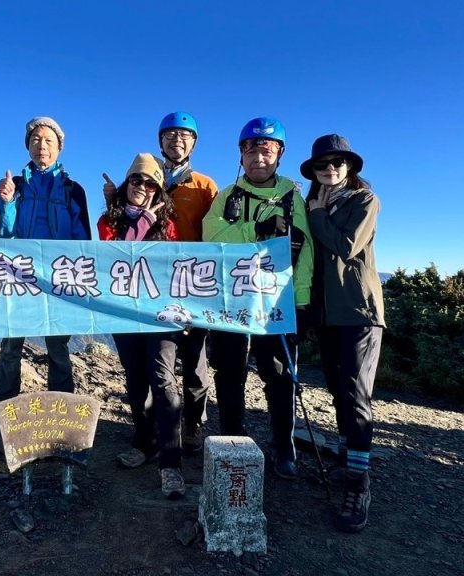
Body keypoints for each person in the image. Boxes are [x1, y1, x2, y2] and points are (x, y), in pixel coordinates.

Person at [201, 117, 314, 480]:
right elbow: (211, 237)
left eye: (266, 150)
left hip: (276, 302)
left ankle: (284, 448)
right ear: (241, 155)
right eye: (251, 150)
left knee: (279, 376)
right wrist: (257, 230)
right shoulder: (226, 197)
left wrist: (302, 301)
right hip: (232, 301)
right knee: (229, 372)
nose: (258, 158)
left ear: (279, 154)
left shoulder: (293, 200)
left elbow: (306, 251)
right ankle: (232, 440)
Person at [102, 111, 218, 453]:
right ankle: (153, 435)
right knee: (156, 370)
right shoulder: (150, 180)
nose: (177, 141)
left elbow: (215, 236)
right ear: (160, 141)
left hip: (192, 287)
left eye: (184, 136)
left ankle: (193, 426)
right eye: (170, 135)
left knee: (195, 366)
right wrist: (114, 203)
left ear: (194, 143)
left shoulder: (205, 186)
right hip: (145, 295)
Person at [300, 134, 384, 533]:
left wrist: (316, 217)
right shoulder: (315, 203)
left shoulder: (363, 201)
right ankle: (350, 459)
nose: (330, 168)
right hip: (328, 314)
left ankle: (359, 483)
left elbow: (346, 245)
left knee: (355, 394)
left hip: (358, 311)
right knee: (337, 388)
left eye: (338, 162)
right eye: (322, 164)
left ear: (350, 167)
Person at [97, 153, 188, 498]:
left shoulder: (169, 224)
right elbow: (116, 254)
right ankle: (144, 441)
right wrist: (141, 221)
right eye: (137, 180)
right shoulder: (109, 220)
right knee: (135, 378)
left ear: (159, 189)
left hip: (160, 315)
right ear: (126, 183)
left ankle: (171, 462)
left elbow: (177, 266)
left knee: (163, 379)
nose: (143, 187)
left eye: (151, 183)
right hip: (122, 312)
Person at [0, 117, 92, 404]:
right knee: (11, 345)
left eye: (49, 141)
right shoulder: (16, 186)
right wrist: (8, 202)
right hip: (20, 276)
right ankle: (4, 407)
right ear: (28, 146)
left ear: (59, 148)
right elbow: (2, 231)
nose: (41, 146)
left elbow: (82, 240)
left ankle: (62, 410)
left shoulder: (74, 190)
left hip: (58, 279)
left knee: (58, 348)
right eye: (35, 140)